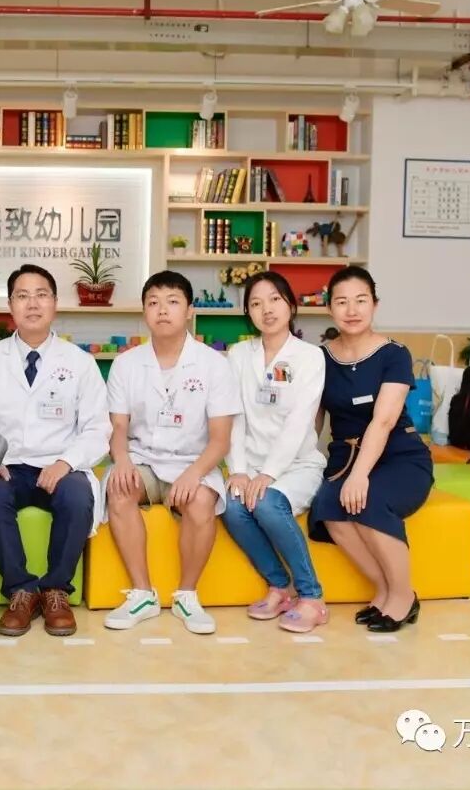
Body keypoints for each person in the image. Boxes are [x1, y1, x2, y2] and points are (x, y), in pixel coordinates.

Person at [0, 264, 111, 638]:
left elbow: (98, 428)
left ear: (55, 303)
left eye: (41, 294)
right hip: (8, 465)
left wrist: (66, 462)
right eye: (23, 296)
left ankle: (56, 591)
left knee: (77, 496)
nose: (32, 304)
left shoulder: (80, 363)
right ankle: (21, 590)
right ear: (10, 306)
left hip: (60, 464)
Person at [102, 271, 240, 635]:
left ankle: (186, 595)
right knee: (119, 490)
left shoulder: (214, 364)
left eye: (173, 301)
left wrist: (194, 474)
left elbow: (220, 440)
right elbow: (117, 428)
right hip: (143, 460)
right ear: (144, 312)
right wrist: (122, 461)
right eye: (153, 302)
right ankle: (142, 595)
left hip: (194, 462)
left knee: (201, 502)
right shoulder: (126, 364)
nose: (162, 310)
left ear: (190, 310)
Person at [309, 266, 433, 633]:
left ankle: (404, 596)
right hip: (344, 457)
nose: (352, 310)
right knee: (329, 507)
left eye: (361, 300)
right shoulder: (319, 358)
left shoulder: (394, 353)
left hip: (399, 456)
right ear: (329, 308)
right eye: (342, 302)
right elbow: (312, 421)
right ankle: (384, 590)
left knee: (367, 501)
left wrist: (360, 475)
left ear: (374, 305)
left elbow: (383, 420)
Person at [222, 271, 331, 634]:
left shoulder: (310, 356)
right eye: (256, 303)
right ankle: (279, 587)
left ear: (290, 305)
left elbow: (300, 422)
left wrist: (269, 474)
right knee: (231, 505)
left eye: (274, 300)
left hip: (297, 464)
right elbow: (235, 417)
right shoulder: (238, 355)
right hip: (250, 464)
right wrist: (238, 470)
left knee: (267, 503)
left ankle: (312, 596)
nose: (266, 309)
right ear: (248, 313)